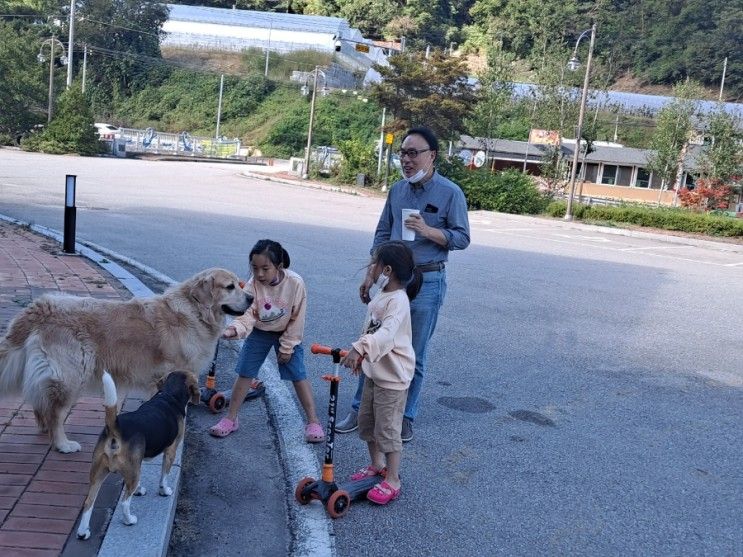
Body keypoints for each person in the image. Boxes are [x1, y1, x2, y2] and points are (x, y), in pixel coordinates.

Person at [336, 126, 470, 442]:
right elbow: (383, 234)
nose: (406, 160)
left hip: (428, 278)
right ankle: (359, 410)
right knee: (371, 341)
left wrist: (428, 231)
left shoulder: (450, 193)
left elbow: (462, 238)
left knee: (414, 351)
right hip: (391, 279)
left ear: (432, 156)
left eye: (413, 153)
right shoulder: (397, 191)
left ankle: (405, 416)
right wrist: (371, 272)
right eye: (403, 153)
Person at [209, 239, 325, 443]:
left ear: (279, 266)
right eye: (254, 268)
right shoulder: (253, 285)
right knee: (245, 372)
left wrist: (287, 346)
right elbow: (248, 315)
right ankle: (231, 418)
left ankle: (313, 421)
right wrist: (234, 329)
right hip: (260, 331)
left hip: (287, 332)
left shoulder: (295, 283)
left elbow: (297, 318)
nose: (259, 274)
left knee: (298, 374)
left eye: (265, 268)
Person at [341, 241, 422, 505]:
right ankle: (376, 465)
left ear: (386, 269)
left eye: (373, 263)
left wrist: (360, 348)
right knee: (367, 421)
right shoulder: (382, 293)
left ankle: (393, 478)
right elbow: (371, 328)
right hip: (375, 372)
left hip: (393, 378)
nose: (370, 268)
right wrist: (360, 355)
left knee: (387, 429)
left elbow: (385, 334)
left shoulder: (398, 301)